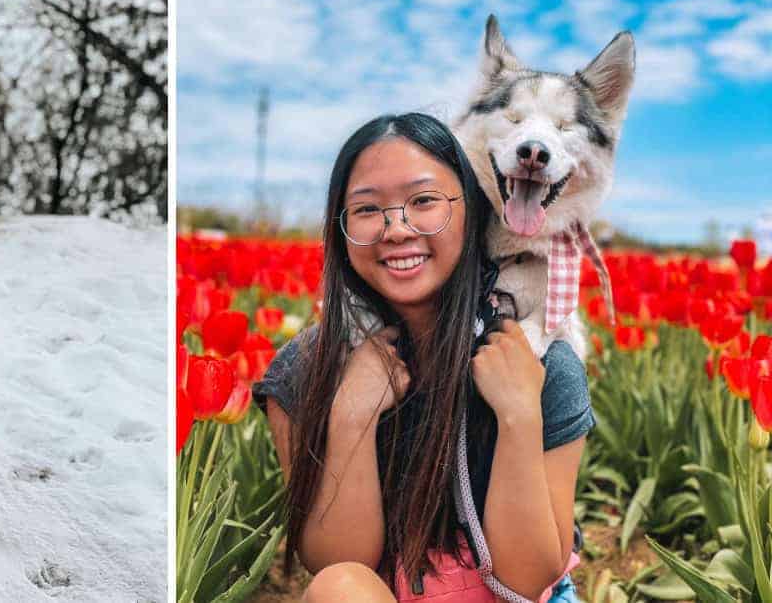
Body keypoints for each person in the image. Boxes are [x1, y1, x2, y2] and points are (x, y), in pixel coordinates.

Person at [252, 113, 592, 601]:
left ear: (472, 209)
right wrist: (352, 414)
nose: (396, 229)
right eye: (367, 210)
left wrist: (519, 415)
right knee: (338, 588)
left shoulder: (538, 362)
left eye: (424, 201)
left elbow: (530, 578)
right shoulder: (306, 370)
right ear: (341, 229)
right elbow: (336, 563)